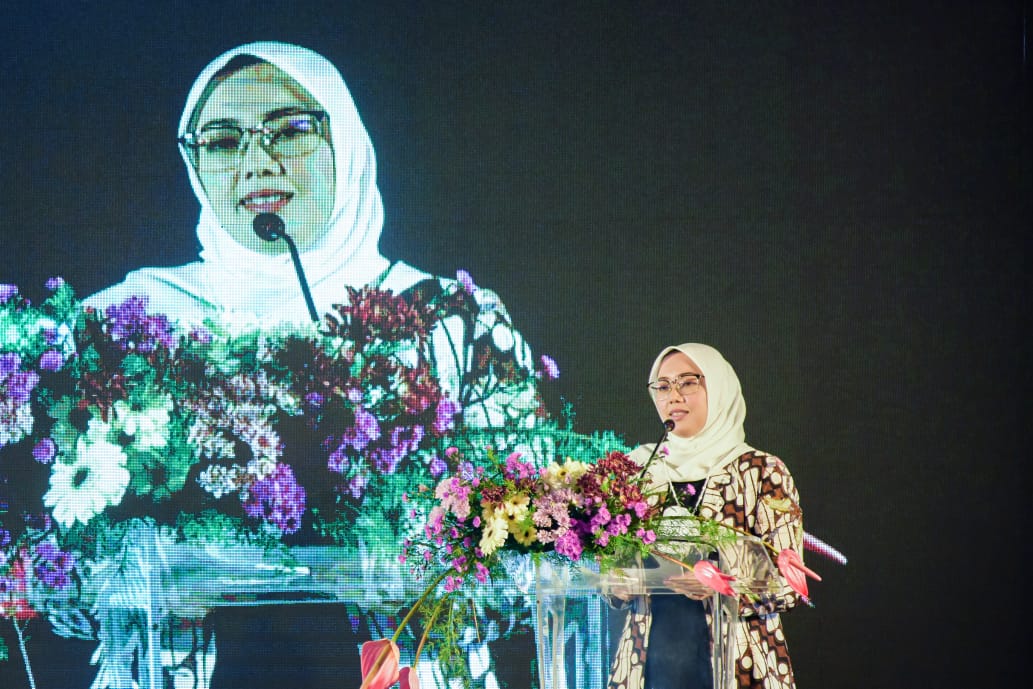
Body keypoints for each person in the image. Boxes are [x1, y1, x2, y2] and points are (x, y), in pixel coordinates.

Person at [80, 41, 542, 689]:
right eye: (221, 139)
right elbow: (49, 566)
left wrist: (404, 556)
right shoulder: (123, 323)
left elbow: (537, 550)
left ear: (345, 141)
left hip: (409, 667)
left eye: (290, 129)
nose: (255, 160)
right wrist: (150, 570)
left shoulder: (453, 319)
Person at [608, 343, 804, 689]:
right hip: (650, 664)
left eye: (687, 382)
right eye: (663, 386)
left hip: (740, 664)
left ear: (718, 386)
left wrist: (723, 585)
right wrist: (616, 583)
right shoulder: (636, 473)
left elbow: (790, 585)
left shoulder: (761, 472)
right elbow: (613, 576)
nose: (674, 396)